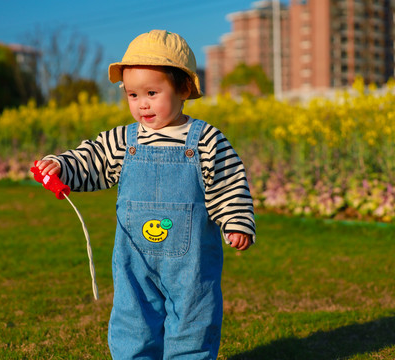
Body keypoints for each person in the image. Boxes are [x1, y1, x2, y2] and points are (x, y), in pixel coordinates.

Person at [36, 30, 256, 359]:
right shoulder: (124, 140)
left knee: (194, 322)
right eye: (132, 94)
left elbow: (228, 180)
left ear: (183, 88)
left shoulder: (205, 139)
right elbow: (91, 160)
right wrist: (60, 166)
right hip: (134, 259)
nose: (142, 104)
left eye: (152, 92)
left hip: (191, 262)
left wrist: (235, 220)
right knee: (132, 322)